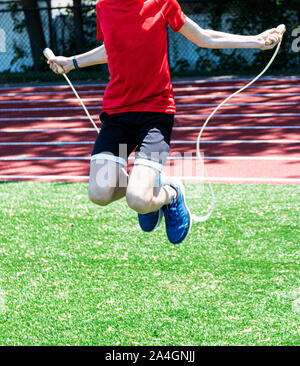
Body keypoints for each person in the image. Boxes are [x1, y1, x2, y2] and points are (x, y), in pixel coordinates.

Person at [48, 0, 282, 245]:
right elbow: (113, 47)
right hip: (116, 113)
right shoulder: (104, 7)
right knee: (99, 193)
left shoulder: (161, 2)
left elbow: (203, 37)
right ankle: (149, 185)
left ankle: (171, 194)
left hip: (155, 113)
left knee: (138, 199)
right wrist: (71, 62)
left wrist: (256, 41)